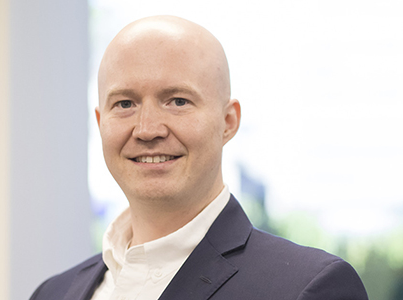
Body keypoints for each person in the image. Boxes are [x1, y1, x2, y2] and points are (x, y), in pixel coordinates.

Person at [30, 15, 369, 300]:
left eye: (177, 101)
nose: (147, 129)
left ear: (228, 122)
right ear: (101, 123)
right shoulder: (53, 293)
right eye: (125, 104)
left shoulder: (308, 288)